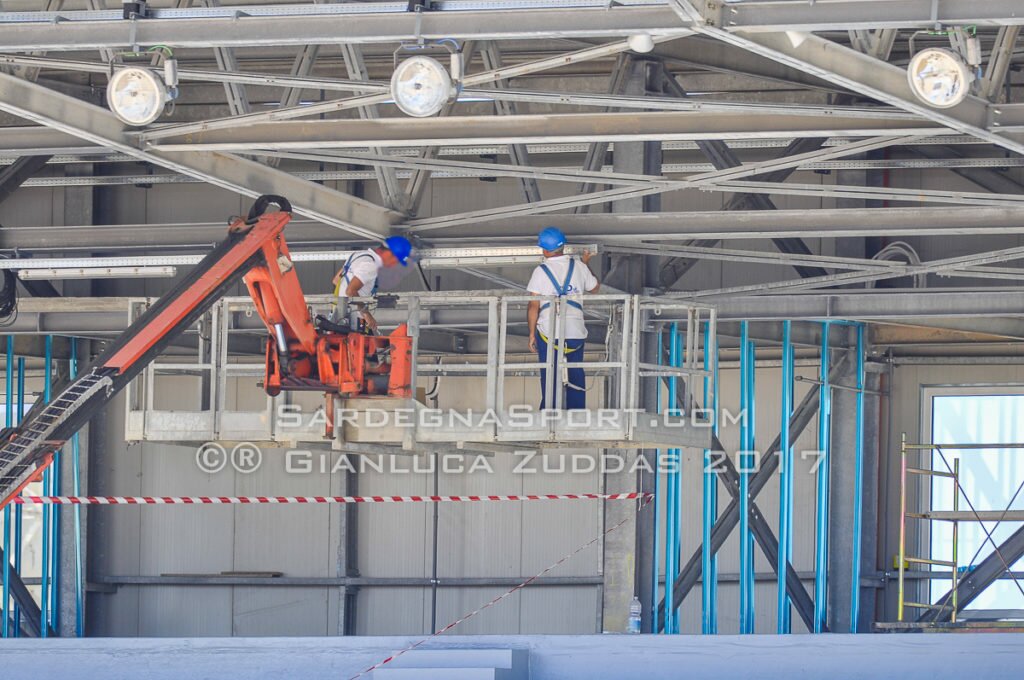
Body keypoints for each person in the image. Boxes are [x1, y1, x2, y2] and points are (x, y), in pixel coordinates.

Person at [527, 227, 599, 410]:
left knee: (550, 372)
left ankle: (549, 413)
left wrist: (531, 334)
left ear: (544, 249)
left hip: (549, 332)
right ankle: (577, 414)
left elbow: (533, 305)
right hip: (575, 331)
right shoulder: (579, 267)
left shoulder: (541, 271)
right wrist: (585, 262)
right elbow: (595, 288)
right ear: (563, 247)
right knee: (575, 372)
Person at [331, 235, 412, 332]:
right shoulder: (371, 265)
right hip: (352, 321)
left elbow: (336, 280)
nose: (393, 265)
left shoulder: (357, 255)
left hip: (338, 315)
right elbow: (350, 290)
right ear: (390, 254)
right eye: (396, 261)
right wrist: (366, 314)